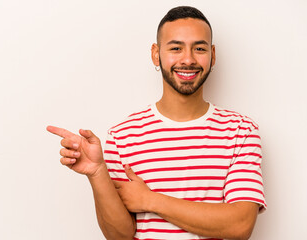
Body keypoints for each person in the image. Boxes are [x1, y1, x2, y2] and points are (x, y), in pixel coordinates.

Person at [47, 6, 266, 240]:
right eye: (175, 48)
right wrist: (98, 173)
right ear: (155, 53)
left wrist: (150, 200)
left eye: (199, 48)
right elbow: (119, 236)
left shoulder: (241, 131)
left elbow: (240, 226)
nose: (188, 59)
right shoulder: (123, 135)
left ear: (213, 55)